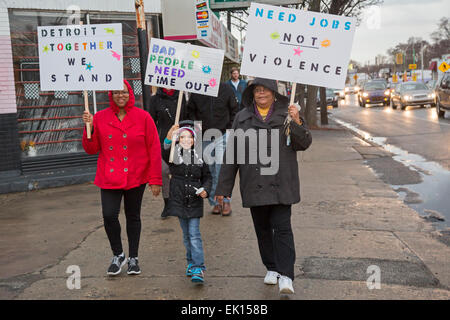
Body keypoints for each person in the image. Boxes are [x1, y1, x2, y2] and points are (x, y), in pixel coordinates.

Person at [215, 78, 312, 294]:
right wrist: (223, 189)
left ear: (273, 93)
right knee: (263, 230)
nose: (261, 94)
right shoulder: (242, 118)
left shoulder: (288, 114)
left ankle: (286, 275)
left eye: (265, 90)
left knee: (283, 228)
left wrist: (297, 122)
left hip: (281, 182)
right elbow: (232, 155)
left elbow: (303, 143)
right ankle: (272, 267)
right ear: (252, 94)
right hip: (254, 182)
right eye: (257, 91)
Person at [82, 80, 162, 276]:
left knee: (133, 216)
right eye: (117, 92)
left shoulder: (143, 117)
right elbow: (91, 149)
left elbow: (154, 148)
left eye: (124, 92)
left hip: (137, 174)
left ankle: (133, 258)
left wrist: (155, 179)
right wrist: (88, 128)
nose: (121, 95)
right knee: (109, 215)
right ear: (111, 94)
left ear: (130, 93)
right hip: (109, 175)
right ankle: (118, 254)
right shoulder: (99, 117)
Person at [163, 120, 212, 284]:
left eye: (189, 137)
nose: (185, 140)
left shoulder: (200, 157)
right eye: (182, 137)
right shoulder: (173, 155)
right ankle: (190, 262)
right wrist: (170, 135)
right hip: (178, 200)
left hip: (195, 200)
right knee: (186, 236)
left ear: (194, 140)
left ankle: (199, 266)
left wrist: (206, 189)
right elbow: (164, 150)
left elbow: (208, 177)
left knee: (194, 235)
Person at [187, 82, 238, 216]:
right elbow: (190, 110)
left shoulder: (226, 89)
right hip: (204, 136)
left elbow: (234, 109)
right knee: (209, 170)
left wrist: (230, 128)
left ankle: (226, 200)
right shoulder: (197, 88)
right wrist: (196, 128)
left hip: (222, 134)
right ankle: (215, 202)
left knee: (221, 168)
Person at [149, 88, 186, 219]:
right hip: (162, 140)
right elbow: (151, 122)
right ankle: (167, 203)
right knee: (164, 171)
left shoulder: (183, 97)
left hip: (182, 140)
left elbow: (188, 118)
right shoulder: (155, 99)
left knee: (180, 172)